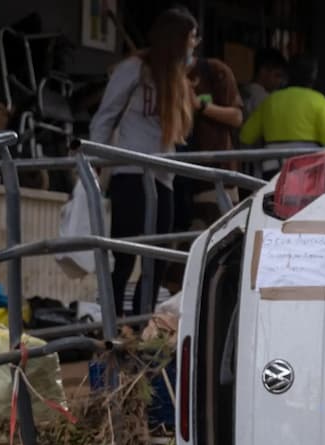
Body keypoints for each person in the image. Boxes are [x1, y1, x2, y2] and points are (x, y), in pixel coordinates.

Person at [89, 6, 197, 315]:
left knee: (158, 257)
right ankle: (112, 323)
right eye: (191, 38)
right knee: (124, 256)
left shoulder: (177, 77)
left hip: (164, 176)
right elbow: (105, 115)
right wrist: (95, 159)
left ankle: (142, 323)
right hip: (130, 172)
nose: (194, 45)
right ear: (176, 39)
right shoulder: (134, 68)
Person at [172, 54, 244, 234]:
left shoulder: (214, 71)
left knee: (216, 234)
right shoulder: (163, 72)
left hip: (213, 171)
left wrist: (201, 106)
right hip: (174, 172)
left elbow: (236, 117)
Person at [240, 54, 325, 179]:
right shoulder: (319, 100)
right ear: (313, 76)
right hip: (308, 167)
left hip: (273, 168)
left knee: (273, 199)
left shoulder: (271, 100)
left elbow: (246, 136)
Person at [241, 47, 287, 118]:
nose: (280, 81)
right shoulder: (265, 100)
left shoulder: (242, 92)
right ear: (263, 71)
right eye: (277, 75)